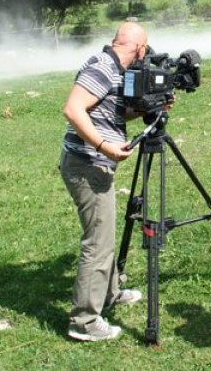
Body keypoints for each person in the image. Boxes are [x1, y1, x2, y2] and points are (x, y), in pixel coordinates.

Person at [59, 21, 150, 342]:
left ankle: (109, 294)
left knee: (104, 235)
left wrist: (143, 112)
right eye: (145, 49)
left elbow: (110, 111)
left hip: (93, 164)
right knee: (97, 242)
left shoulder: (112, 67)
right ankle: (84, 321)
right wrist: (103, 145)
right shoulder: (102, 67)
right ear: (139, 48)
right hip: (87, 164)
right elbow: (72, 109)